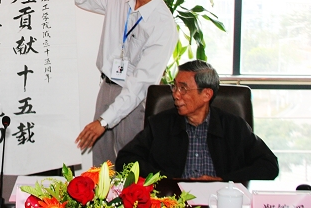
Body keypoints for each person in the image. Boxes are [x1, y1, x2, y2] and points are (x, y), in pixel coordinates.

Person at [66, 0, 178, 165]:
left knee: (130, 166)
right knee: (101, 166)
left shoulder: (162, 24)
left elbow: (141, 83)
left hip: (134, 99)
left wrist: (104, 121)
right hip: (106, 87)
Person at [116, 60, 279, 181]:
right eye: (175, 86)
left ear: (206, 94)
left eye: (183, 88)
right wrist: (165, 179)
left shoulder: (234, 127)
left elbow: (269, 165)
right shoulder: (160, 124)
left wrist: (223, 180)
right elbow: (125, 160)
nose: (175, 94)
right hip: (174, 201)